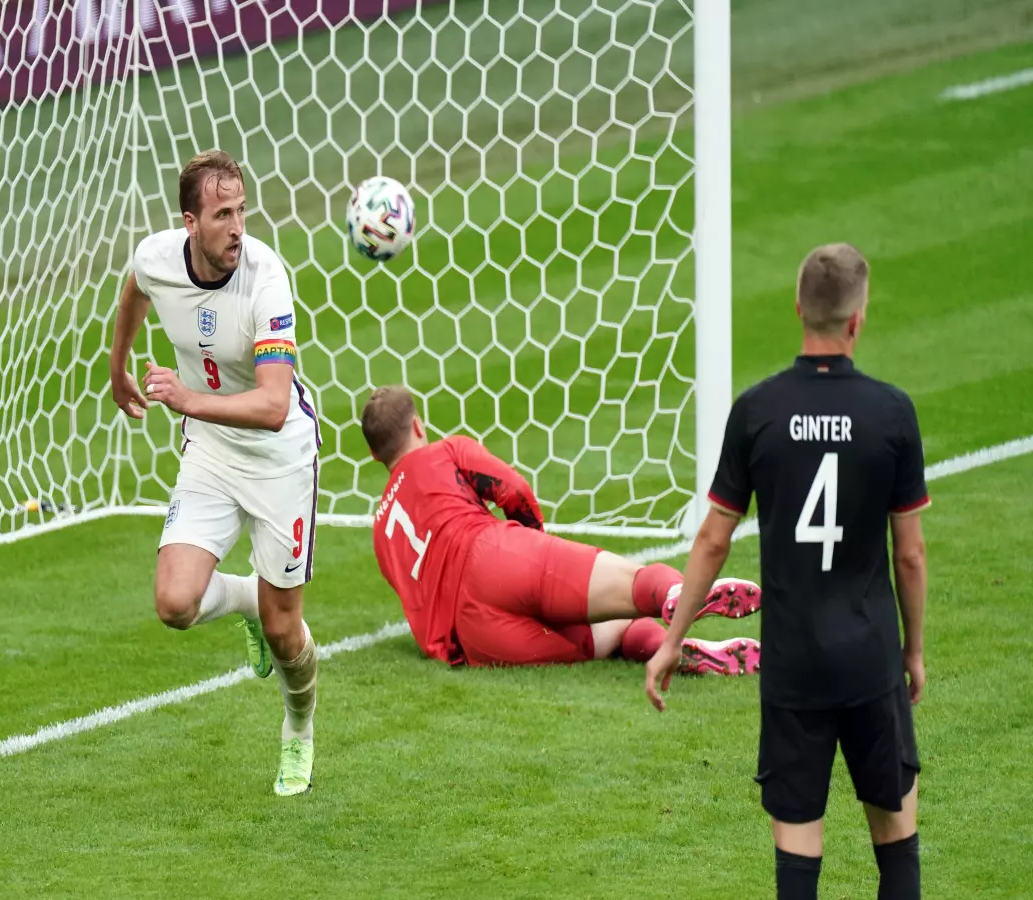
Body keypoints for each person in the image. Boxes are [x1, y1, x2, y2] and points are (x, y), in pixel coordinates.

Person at [645, 243, 929, 900]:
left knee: (799, 852)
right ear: (858, 319)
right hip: (869, 660)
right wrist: (912, 651)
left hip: (793, 665)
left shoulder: (758, 411)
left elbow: (713, 540)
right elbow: (909, 555)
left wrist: (672, 640)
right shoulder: (892, 413)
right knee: (895, 839)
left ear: (798, 306)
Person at [108, 150, 322, 797]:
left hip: (280, 459)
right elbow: (133, 291)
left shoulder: (266, 279)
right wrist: (117, 365)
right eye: (223, 214)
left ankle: (298, 731)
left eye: (242, 211)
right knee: (174, 603)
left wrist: (186, 400)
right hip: (210, 453)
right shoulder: (157, 258)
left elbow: (273, 403)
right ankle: (243, 603)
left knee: (287, 631)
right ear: (190, 222)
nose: (237, 227)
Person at [360, 385, 763, 673]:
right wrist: (531, 539)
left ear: (375, 453)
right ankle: (676, 593)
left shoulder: (381, 533)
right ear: (417, 426)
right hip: (492, 555)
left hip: (472, 638)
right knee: (629, 587)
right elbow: (512, 489)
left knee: (598, 638)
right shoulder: (443, 451)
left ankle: (672, 650)